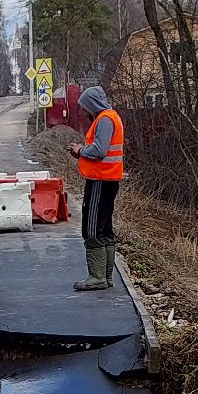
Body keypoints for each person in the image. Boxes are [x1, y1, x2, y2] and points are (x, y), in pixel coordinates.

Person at [69, 83, 124, 291]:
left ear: (92, 105)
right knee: (104, 228)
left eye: (85, 107)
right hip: (109, 180)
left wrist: (80, 150)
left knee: (92, 229)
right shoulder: (112, 117)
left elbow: (99, 151)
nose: (85, 112)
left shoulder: (104, 120)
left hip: (100, 181)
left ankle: (97, 277)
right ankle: (106, 277)